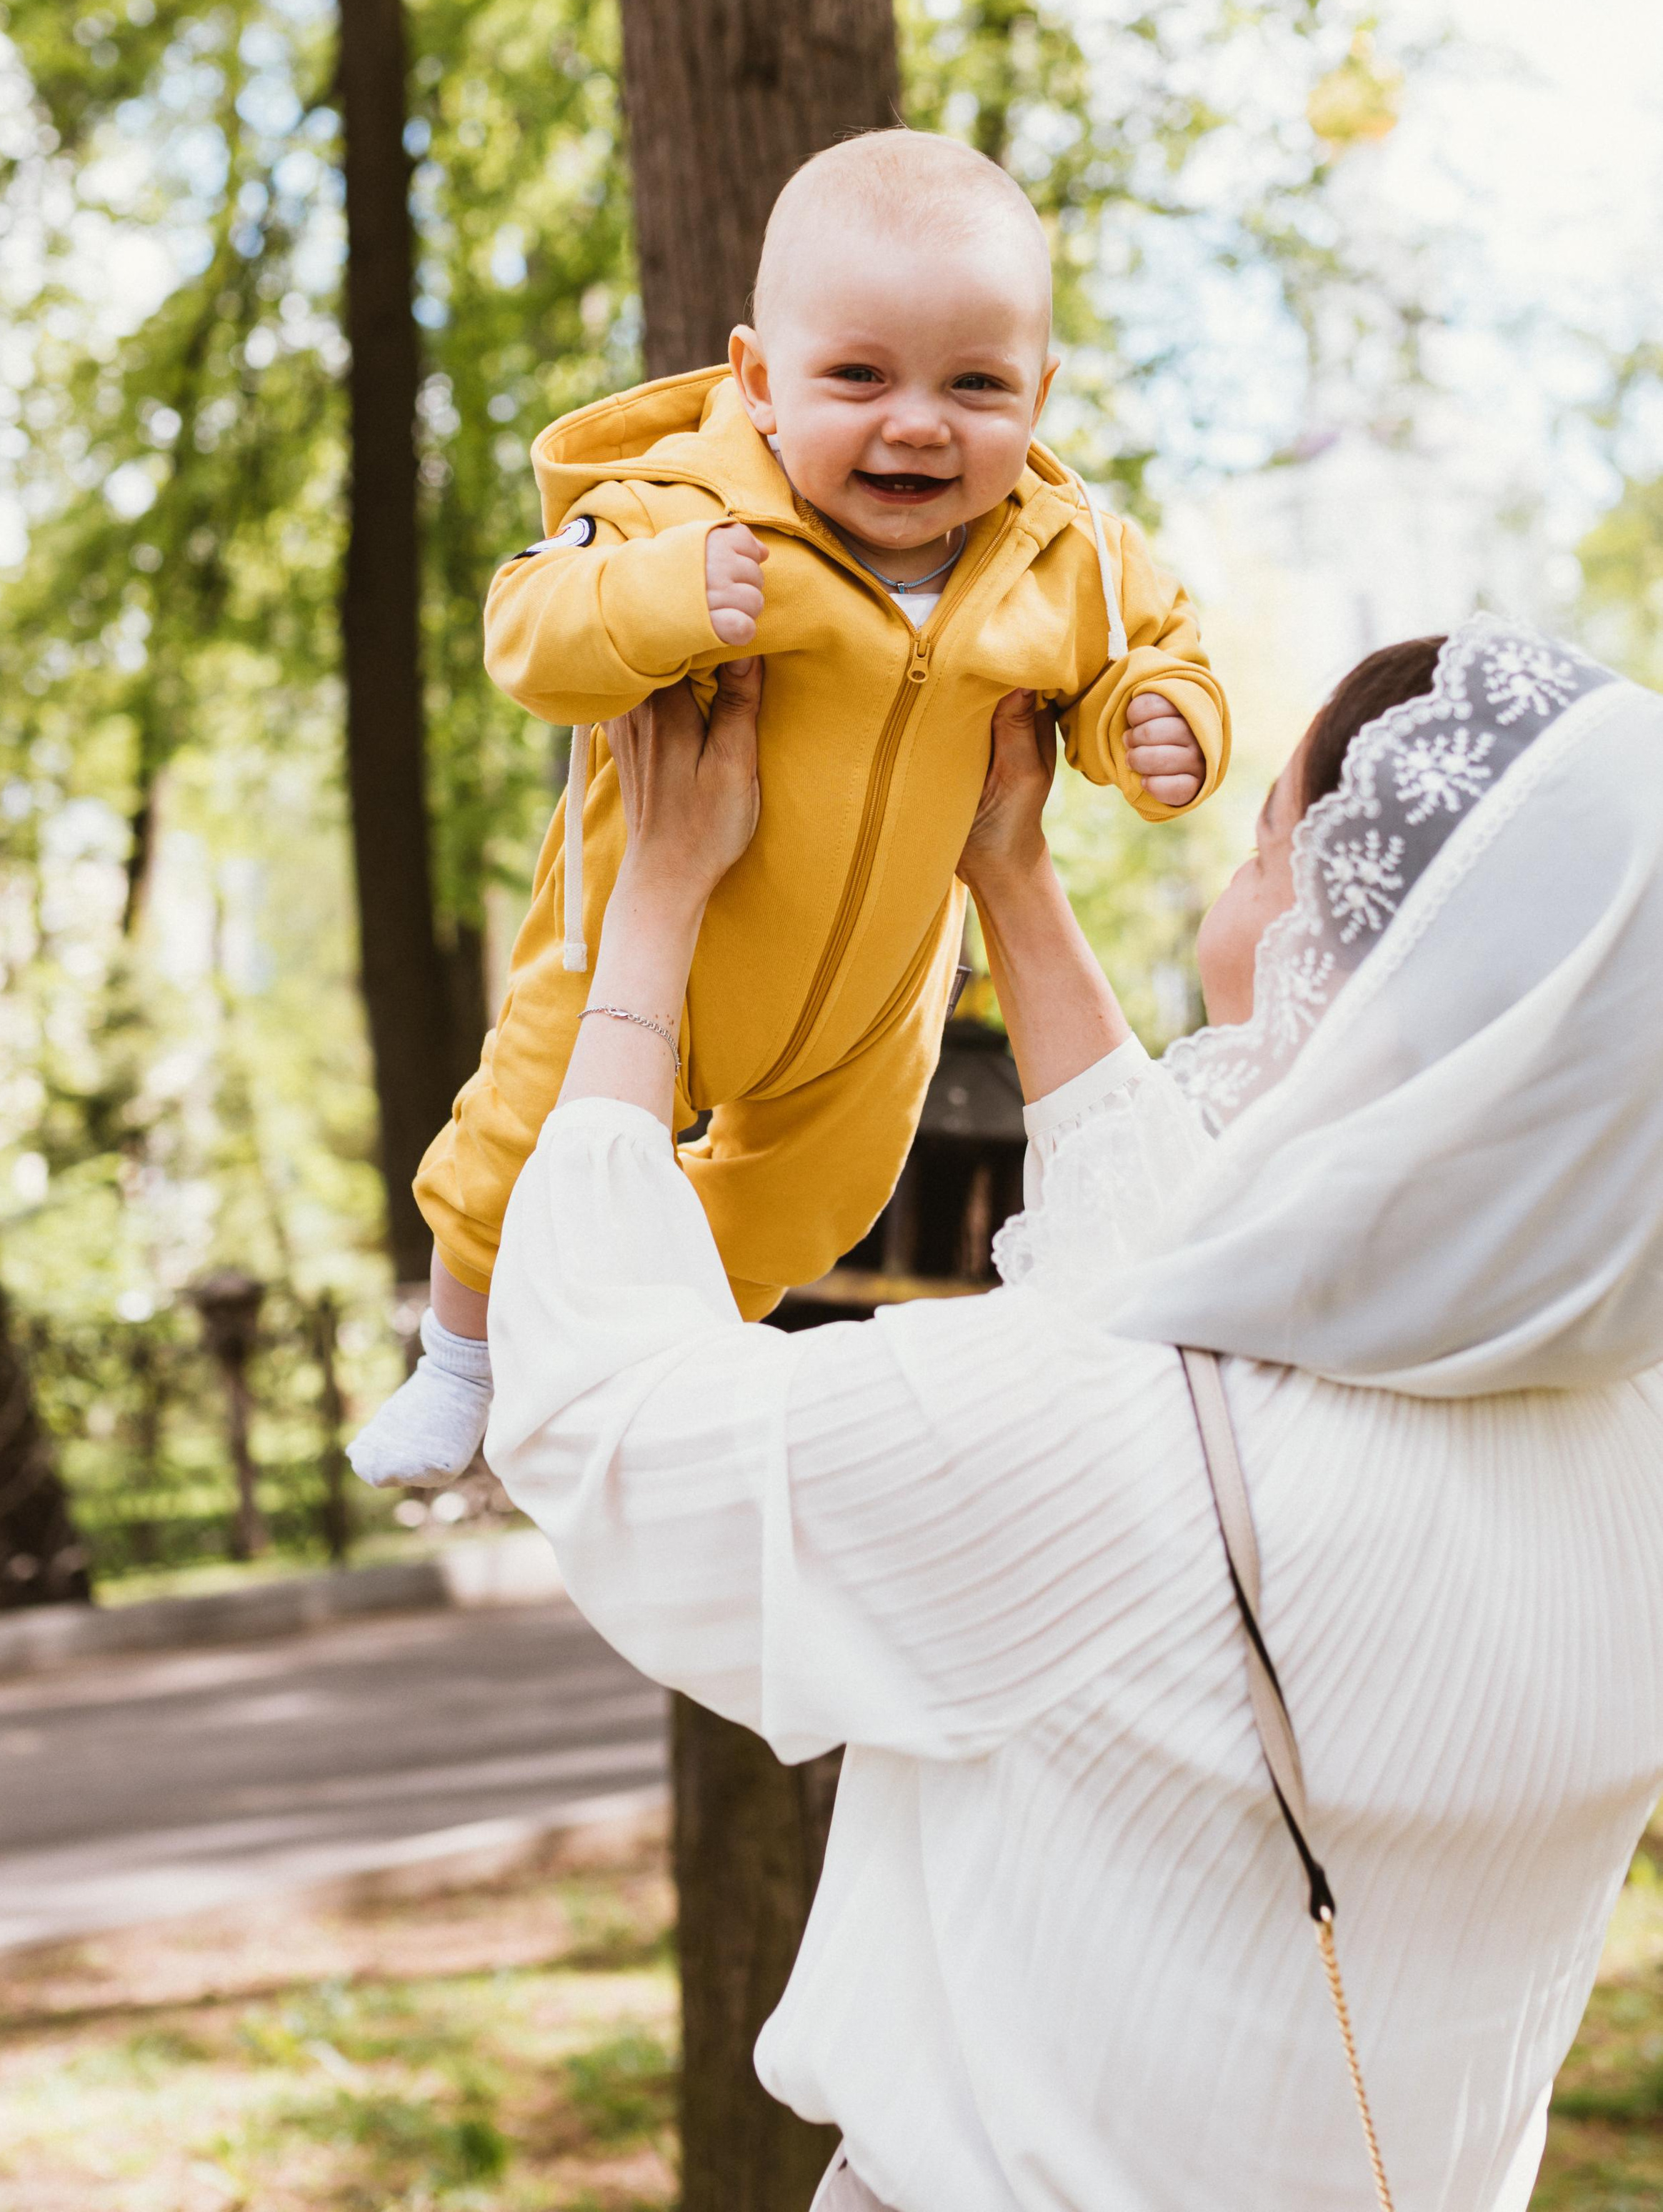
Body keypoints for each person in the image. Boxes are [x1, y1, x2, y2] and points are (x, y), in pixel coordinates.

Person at [478, 616, 1663, 2212]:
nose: (1227, 909)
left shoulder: (1118, 1448)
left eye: (1263, 855)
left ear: (1349, 958)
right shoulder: (1624, 1451)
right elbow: (1206, 1282)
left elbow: (609, 1422)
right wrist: (1010, 877)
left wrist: (652, 910)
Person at [351, 127, 1229, 1491]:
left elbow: (1150, 645)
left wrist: (1157, 720)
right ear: (760, 382)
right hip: (650, 965)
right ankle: (461, 1359)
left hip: (876, 1004)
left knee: (819, 1199)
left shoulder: (1064, 560)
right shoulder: (683, 507)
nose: (919, 421)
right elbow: (525, 627)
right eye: (860, 376)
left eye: (977, 383)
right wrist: (656, 599)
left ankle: (666, 1345)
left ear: (1040, 394)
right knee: (522, 1146)